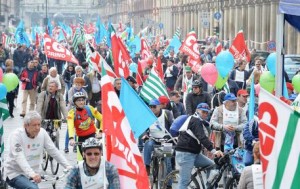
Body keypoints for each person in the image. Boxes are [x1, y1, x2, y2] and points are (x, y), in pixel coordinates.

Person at [4, 111, 72, 189]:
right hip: (14, 173)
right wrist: (32, 174)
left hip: (33, 174)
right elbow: (19, 157)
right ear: (26, 125)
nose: (37, 128)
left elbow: (53, 151)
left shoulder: (42, 133)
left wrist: (68, 166)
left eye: (39, 125)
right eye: (34, 125)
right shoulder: (16, 135)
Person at [176, 103, 223, 189]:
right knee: (184, 182)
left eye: (206, 113)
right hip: (185, 154)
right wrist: (214, 151)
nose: (205, 114)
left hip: (194, 153)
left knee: (211, 165)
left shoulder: (199, 121)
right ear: (197, 110)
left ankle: (208, 186)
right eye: (203, 112)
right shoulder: (195, 120)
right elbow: (202, 137)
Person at [142, 99, 174, 175]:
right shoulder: (148, 115)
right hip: (153, 139)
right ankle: (147, 166)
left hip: (165, 141)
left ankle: (169, 184)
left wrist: (170, 136)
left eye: (154, 107)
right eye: (150, 107)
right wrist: (145, 134)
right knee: (148, 144)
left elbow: (173, 126)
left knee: (168, 161)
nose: (152, 109)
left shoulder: (167, 113)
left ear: (159, 106)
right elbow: (144, 127)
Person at [67, 92, 103, 158]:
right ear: (75, 102)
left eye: (82, 100)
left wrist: (101, 132)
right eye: (78, 100)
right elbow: (70, 126)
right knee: (85, 158)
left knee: (96, 157)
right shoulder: (72, 113)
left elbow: (102, 119)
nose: (81, 102)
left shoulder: (90, 108)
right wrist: (71, 138)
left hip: (92, 136)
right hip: (81, 138)